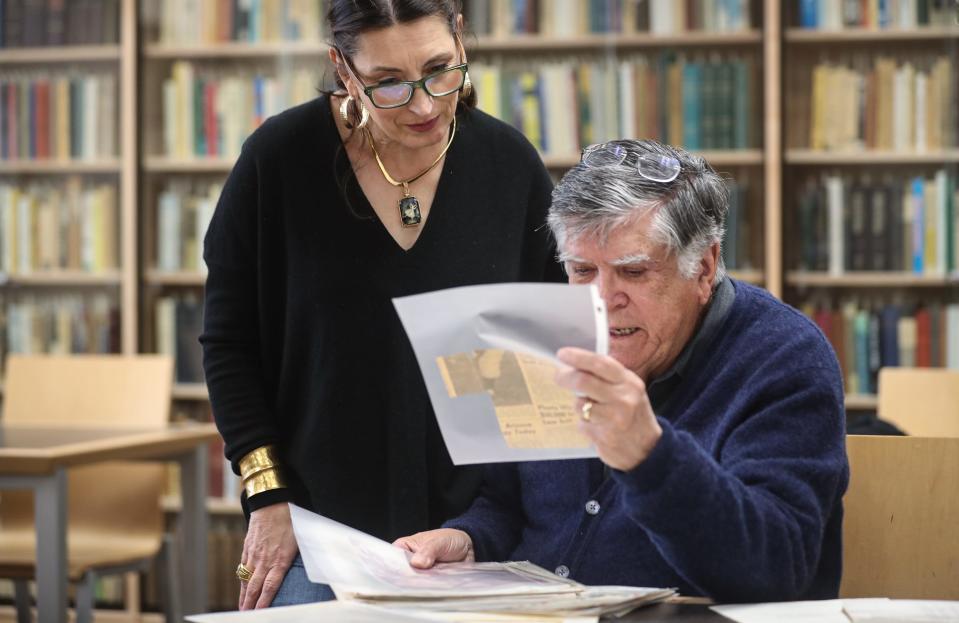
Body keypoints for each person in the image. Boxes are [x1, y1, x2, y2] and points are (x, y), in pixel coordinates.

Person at [200, 0, 563, 610]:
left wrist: (494, 522)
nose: (423, 104)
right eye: (388, 83)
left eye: (440, 70)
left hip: (476, 528)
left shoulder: (511, 167)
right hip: (318, 523)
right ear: (343, 69)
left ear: (462, 42)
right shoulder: (278, 159)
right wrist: (269, 495)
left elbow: (545, 352)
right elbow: (228, 343)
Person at [394, 140, 850, 602]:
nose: (601, 298)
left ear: (704, 268)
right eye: (582, 269)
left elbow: (776, 569)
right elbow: (511, 505)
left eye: (633, 273)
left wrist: (649, 456)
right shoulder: (545, 333)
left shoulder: (784, 357)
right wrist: (471, 539)